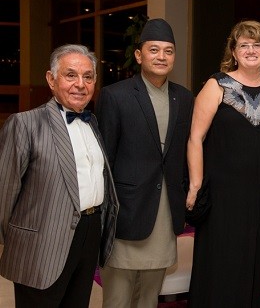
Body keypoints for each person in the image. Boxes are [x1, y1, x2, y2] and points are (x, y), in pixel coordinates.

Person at [0, 44, 119, 307]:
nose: (80, 84)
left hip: (89, 235)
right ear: (51, 80)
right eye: (70, 75)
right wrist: (22, 242)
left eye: (88, 77)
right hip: (41, 244)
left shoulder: (93, 123)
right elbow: (4, 195)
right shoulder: (25, 124)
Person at [186, 20, 260, 307]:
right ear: (234, 50)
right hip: (223, 194)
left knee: (257, 259)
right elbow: (195, 138)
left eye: (258, 44)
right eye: (244, 44)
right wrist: (195, 185)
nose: (251, 50)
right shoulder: (216, 84)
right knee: (222, 259)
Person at [95, 18, 194, 308]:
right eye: (154, 50)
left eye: (168, 51)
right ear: (139, 55)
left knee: (150, 295)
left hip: (164, 210)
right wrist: (105, 212)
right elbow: (105, 159)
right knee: (118, 296)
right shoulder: (115, 96)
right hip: (126, 210)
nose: (161, 57)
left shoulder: (184, 97)